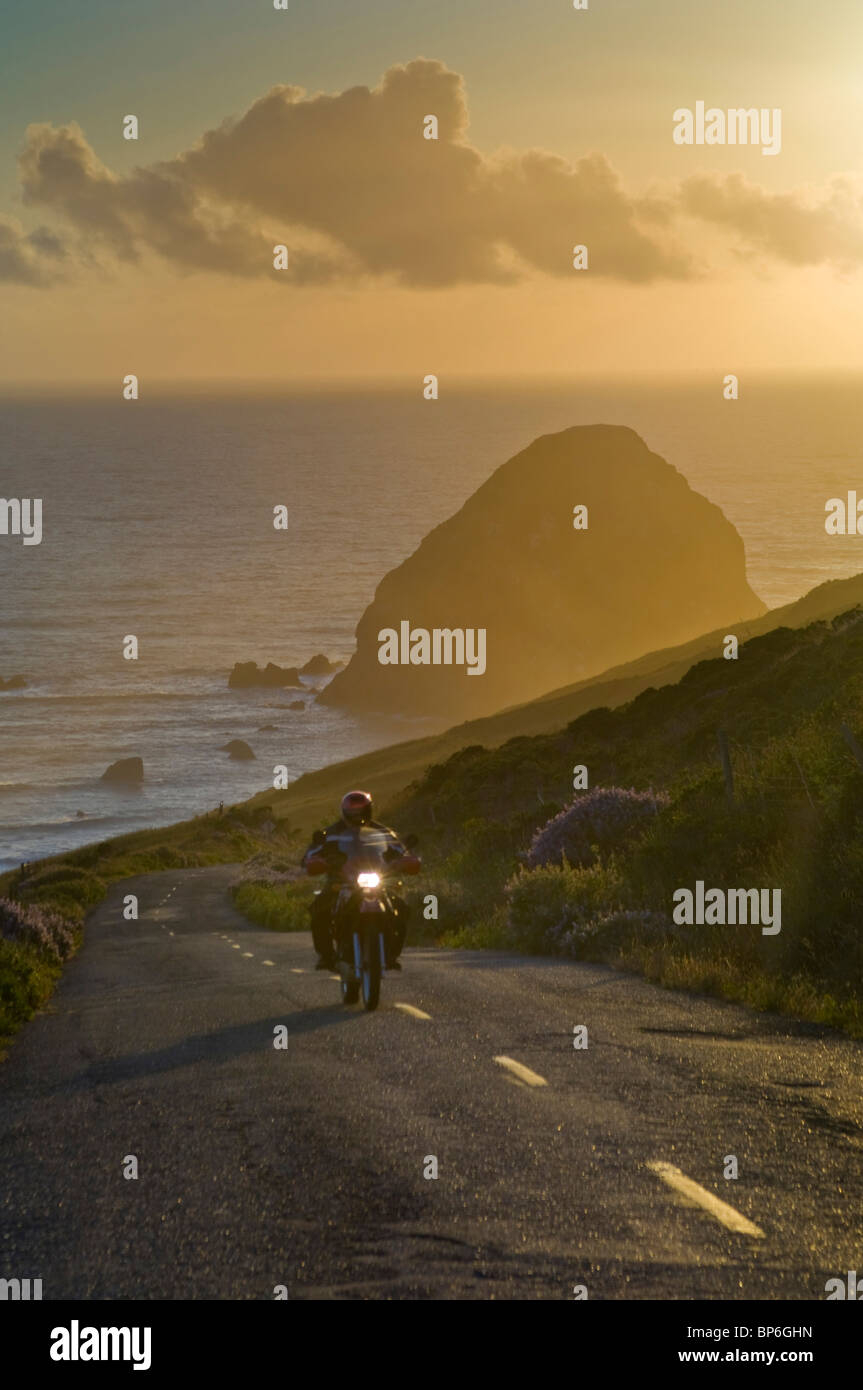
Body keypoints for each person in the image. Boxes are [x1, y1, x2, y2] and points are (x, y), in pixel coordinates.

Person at [302, 790, 411, 972]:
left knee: (402, 908)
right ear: (344, 812)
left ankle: (391, 954)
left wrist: (406, 860)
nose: (356, 815)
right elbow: (311, 854)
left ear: (369, 810)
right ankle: (326, 955)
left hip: (378, 878)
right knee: (319, 909)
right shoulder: (330, 833)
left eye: (360, 811)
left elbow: (401, 850)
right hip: (341, 881)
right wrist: (315, 861)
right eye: (352, 812)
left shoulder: (383, 832)